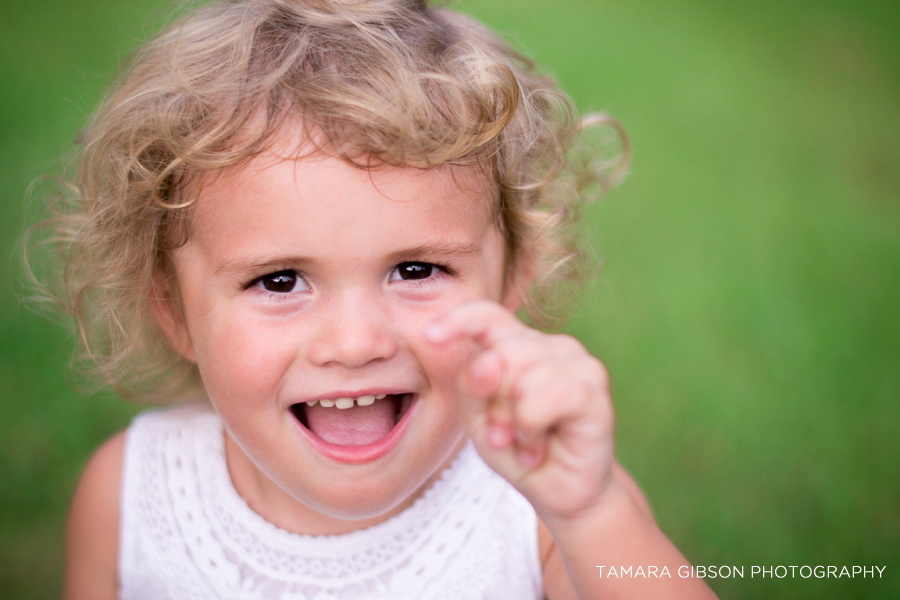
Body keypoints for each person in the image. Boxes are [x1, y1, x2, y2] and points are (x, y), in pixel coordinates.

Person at [45, 0, 717, 598]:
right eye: (279, 281)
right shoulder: (132, 497)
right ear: (174, 310)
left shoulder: (540, 506)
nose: (357, 341)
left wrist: (593, 514)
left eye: (416, 269)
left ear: (512, 280)